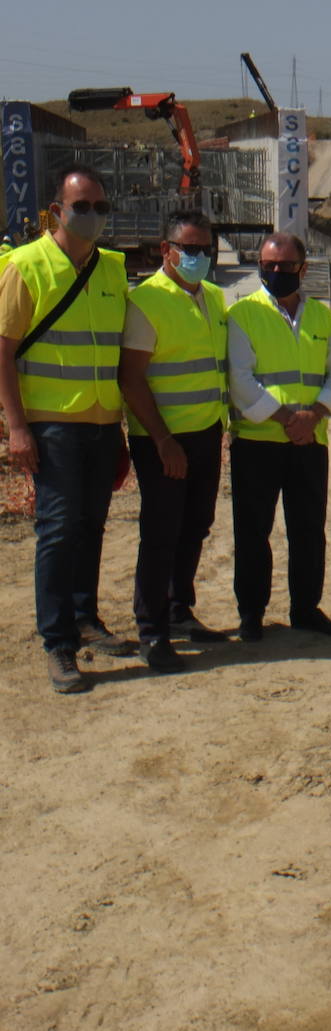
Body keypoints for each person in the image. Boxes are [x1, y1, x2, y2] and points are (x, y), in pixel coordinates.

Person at [0, 164, 135, 693]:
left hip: (101, 422)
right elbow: (3, 350)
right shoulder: (26, 266)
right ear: (56, 211)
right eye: (83, 207)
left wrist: (119, 425)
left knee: (90, 526)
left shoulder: (112, 269)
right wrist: (17, 428)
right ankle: (57, 643)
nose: (94, 217)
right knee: (56, 530)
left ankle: (85, 619)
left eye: (102, 208)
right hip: (52, 425)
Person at [119, 210, 230, 673]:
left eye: (206, 249)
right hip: (163, 440)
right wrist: (163, 440)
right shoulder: (146, 302)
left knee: (196, 525)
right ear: (166, 251)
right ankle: (152, 630)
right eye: (189, 249)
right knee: (161, 533)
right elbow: (131, 378)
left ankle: (179, 608)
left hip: (207, 433)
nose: (198, 257)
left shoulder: (216, 298)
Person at [227, 232, 331, 640]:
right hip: (259, 441)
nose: (276, 272)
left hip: (310, 442)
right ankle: (251, 613)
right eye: (268, 265)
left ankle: (306, 608)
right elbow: (240, 381)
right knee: (253, 531)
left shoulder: (321, 319)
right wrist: (285, 418)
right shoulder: (242, 314)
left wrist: (313, 415)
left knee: (309, 529)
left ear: (303, 268)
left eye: (284, 265)